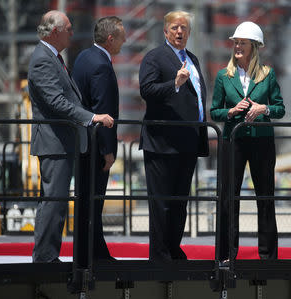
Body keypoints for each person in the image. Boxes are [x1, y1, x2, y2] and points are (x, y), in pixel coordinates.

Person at [28, 10, 114, 263]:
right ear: (55, 32)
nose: (73, 33)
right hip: (54, 142)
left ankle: (47, 256)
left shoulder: (52, 56)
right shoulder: (43, 59)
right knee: (54, 201)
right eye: (69, 29)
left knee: (59, 201)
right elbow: (55, 101)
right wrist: (91, 117)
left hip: (62, 141)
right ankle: (44, 258)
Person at [210, 21, 285, 261]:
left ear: (254, 46)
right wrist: (231, 112)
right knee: (228, 197)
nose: (237, 46)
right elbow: (214, 112)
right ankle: (226, 254)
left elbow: (280, 109)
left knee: (265, 197)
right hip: (234, 142)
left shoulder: (268, 74)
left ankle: (268, 255)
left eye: (242, 43)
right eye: (235, 42)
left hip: (262, 142)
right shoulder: (224, 76)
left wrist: (264, 109)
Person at [139, 10, 209, 262]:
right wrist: (175, 84)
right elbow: (146, 90)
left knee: (180, 202)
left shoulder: (193, 59)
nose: (180, 32)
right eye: (175, 28)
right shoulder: (154, 57)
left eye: (184, 28)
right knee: (161, 202)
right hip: (162, 142)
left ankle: (173, 248)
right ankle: (159, 254)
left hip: (188, 143)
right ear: (165, 31)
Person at [71, 16, 126, 264]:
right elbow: (103, 109)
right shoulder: (102, 65)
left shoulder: (84, 57)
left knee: (86, 201)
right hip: (95, 145)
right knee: (94, 200)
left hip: (82, 141)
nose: (124, 42)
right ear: (111, 38)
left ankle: (89, 251)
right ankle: (95, 255)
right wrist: (108, 151)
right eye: (122, 37)